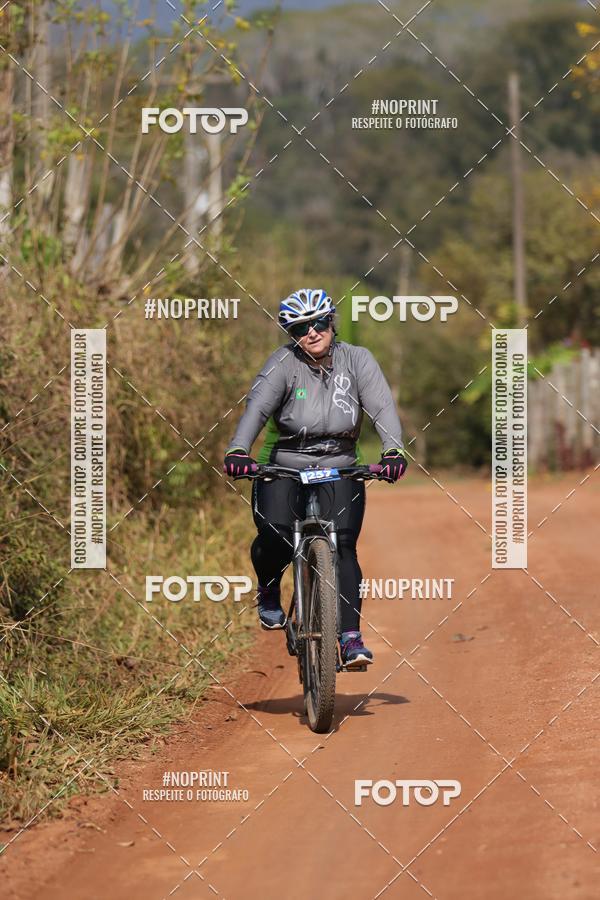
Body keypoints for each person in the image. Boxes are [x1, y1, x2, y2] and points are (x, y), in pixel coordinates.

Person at [223, 288, 407, 667]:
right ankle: (270, 590)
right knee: (273, 534)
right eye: (300, 328)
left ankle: (351, 638)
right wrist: (238, 450)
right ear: (291, 334)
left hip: (340, 462)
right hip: (284, 463)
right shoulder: (282, 364)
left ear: (331, 322)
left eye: (319, 323)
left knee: (342, 545)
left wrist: (392, 450)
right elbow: (255, 410)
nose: (312, 332)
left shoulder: (358, 360)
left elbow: (382, 408)